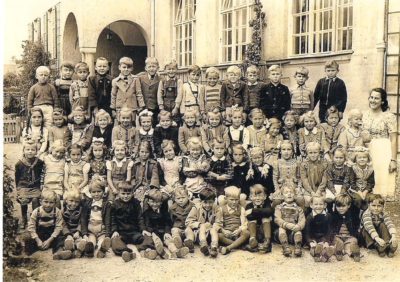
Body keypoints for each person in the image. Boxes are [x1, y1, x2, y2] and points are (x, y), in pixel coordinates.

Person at [362, 88, 397, 199]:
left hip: (383, 151)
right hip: (366, 152)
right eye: (371, 97)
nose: (373, 100)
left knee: (380, 185)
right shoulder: (364, 115)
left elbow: (394, 139)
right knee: (365, 182)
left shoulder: (389, 117)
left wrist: (393, 160)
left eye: (376, 98)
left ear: (382, 101)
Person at [139, 189, 189, 259]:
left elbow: (168, 223)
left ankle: (176, 252)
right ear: (148, 202)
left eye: (157, 202)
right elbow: (148, 225)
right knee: (156, 241)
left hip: (163, 232)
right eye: (152, 202)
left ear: (161, 202)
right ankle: (161, 252)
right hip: (153, 233)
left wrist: (167, 232)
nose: (155, 204)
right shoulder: (146, 213)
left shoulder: (164, 212)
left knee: (169, 241)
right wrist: (152, 233)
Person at [23, 191, 67, 259]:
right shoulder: (36, 211)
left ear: (55, 203)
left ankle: (58, 253)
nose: (48, 205)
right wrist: (38, 240)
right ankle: (27, 254)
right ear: (41, 202)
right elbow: (31, 227)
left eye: (51, 202)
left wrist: (49, 240)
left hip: (51, 235)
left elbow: (58, 227)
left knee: (61, 237)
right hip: (40, 234)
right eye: (46, 202)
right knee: (27, 238)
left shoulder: (57, 211)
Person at [111, 182, 145, 262]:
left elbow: (140, 217)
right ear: (118, 193)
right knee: (115, 241)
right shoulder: (115, 204)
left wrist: (143, 229)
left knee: (147, 238)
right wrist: (115, 230)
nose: (126, 196)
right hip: (121, 233)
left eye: (128, 193)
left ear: (132, 193)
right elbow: (113, 219)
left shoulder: (136, 203)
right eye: (123, 193)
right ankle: (127, 253)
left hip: (134, 232)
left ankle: (146, 251)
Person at [15, 140, 44, 229]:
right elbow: (17, 177)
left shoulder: (39, 162)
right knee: (23, 200)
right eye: (27, 149)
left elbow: (42, 174)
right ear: (23, 151)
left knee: (36, 200)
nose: (30, 151)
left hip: (35, 186)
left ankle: (35, 219)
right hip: (23, 186)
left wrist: (41, 185)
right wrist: (18, 188)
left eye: (33, 149)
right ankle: (24, 218)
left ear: (36, 151)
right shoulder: (19, 163)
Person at [80, 176, 112, 258]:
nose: (96, 194)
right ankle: (89, 250)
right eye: (94, 192)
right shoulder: (87, 204)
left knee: (102, 241)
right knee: (91, 242)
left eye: (99, 191)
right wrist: (84, 233)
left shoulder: (106, 204)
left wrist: (108, 234)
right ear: (90, 192)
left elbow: (108, 220)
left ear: (103, 191)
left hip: (102, 230)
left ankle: (102, 250)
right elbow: (83, 219)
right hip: (91, 230)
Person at [214, 186, 250, 255]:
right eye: (231, 200)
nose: (234, 202)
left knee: (247, 233)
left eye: (236, 200)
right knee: (218, 235)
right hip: (227, 234)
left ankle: (228, 248)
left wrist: (239, 230)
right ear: (226, 199)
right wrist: (223, 231)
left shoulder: (241, 209)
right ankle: (240, 246)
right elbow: (217, 224)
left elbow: (244, 223)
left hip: (238, 233)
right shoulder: (221, 209)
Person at [186, 187, 219, 257]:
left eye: (210, 202)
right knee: (202, 226)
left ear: (214, 201)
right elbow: (188, 222)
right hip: (198, 234)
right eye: (205, 202)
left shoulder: (217, 209)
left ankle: (214, 247)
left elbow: (219, 222)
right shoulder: (196, 208)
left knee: (213, 230)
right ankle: (203, 245)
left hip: (211, 234)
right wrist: (199, 224)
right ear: (201, 201)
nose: (207, 205)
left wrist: (211, 226)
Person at [270, 140, 304, 208]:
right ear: (280, 151)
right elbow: (275, 178)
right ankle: (275, 217)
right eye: (284, 149)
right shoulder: (277, 163)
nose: (286, 152)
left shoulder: (297, 162)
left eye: (289, 149)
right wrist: (277, 189)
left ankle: (301, 217)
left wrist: (299, 187)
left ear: (292, 151)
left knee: (300, 200)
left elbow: (300, 177)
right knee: (277, 201)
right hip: (281, 188)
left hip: (294, 188)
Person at [274, 185, 305, 257]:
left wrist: (299, 226)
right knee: (281, 228)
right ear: (282, 196)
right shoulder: (279, 207)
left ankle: (298, 247)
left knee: (298, 231)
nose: (289, 194)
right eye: (286, 192)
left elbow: (302, 219)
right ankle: (285, 247)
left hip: (293, 233)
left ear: (295, 195)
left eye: (291, 192)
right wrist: (286, 224)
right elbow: (277, 219)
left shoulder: (298, 208)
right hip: (281, 234)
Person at [110, 57, 144, 122]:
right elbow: (113, 95)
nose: (126, 69)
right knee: (121, 125)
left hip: (132, 107)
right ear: (119, 67)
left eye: (128, 67)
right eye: (124, 67)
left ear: (132, 68)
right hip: (120, 108)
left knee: (132, 124)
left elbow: (139, 93)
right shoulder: (115, 81)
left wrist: (141, 106)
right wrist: (113, 109)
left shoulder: (135, 79)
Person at [304, 196, 335, 262]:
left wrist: (326, 241)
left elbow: (329, 230)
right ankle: (316, 253)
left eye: (321, 204)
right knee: (314, 246)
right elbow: (307, 232)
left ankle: (325, 255)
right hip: (313, 238)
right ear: (311, 205)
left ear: (325, 205)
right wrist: (310, 241)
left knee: (325, 245)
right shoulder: (310, 217)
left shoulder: (328, 216)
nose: (318, 206)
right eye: (316, 204)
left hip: (323, 237)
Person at [331, 194, 361, 262]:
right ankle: (339, 251)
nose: (341, 208)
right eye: (338, 206)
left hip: (349, 236)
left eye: (343, 206)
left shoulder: (352, 214)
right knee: (337, 241)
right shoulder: (335, 214)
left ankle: (354, 252)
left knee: (353, 241)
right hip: (338, 236)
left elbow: (356, 207)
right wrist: (333, 201)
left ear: (349, 205)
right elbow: (329, 209)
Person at [245, 184, 274, 253]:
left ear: (265, 197)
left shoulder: (267, 204)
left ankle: (267, 241)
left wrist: (253, 211)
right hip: (254, 231)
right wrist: (261, 212)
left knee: (265, 218)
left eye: (260, 196)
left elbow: (269, 211)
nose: (257, 198)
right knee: (252, 220)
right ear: (250, 197)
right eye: (255, 196)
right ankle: (253, 240)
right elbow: (249, 216)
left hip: (265, 231)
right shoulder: (249, 205)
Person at [300, 142, 329, 207]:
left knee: (322, 200)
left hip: (321, 189)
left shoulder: (324, 163)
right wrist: (311, 192)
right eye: (310, 153)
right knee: (307, 200)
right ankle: (308, 216)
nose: (313, 155)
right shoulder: (304, 164)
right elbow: (304, 180)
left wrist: (319, 191)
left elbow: (325, 179)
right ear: (307, 153)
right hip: (308, 189)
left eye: (315, 153)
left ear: (319, 153)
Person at [60, 189, 87, 258]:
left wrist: (78, 231)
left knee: (80, 240)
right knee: (66, 240)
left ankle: (79, 250)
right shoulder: (62, 211)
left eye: (77, 202)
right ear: (66, 200)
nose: (74, 204)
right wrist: (68, 234)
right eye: (71, 201)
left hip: (77, 232)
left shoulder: (80, 210)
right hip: (68, 232)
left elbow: (81, 222)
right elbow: (63, 224)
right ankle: (69, 248)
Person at [169, 187, 195, 253]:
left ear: (188, 197)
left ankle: (189, 242)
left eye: (183, 198)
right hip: (178, 227)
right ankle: (178, 242)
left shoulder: (192, 206)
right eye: (178, 198)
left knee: (189, 231)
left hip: (188, 227)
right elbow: (171, 220)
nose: (181, 200)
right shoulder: (172, 208)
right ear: (174, 199)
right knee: (174, 230)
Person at [157, 59, 183, 125]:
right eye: (169, 69)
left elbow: (180, 94)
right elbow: (159, 94)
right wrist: (161, 107)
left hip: (174, 104)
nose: (171, 71)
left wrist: (176, 107)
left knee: (175, 123)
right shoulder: (162, 81)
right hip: (165, 105)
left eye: (173, 69)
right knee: (165, 122)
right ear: (165, 70)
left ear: (176, 69)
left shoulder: (179, 81)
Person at [137, 57, 161, 125]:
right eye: (149, 66)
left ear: (157, 68)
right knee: (144, 125)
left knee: (154, 125)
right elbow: (138, 92)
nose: (151, 68)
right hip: (143, 107)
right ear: (146, 68)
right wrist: (140, 107)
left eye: (153, 66)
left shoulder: (161, 79)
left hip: (156, 108)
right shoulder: (140, 78)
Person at [42, 140, 67, 205]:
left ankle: (57, 213)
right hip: (47, 186)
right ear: (52, 149)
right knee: (46, 199)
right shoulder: (46, 159)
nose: (59, 154)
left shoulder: (64, 160)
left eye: (61, 152)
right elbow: (42, 173)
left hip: (58, 186)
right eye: (57, 151)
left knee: (57, 199)